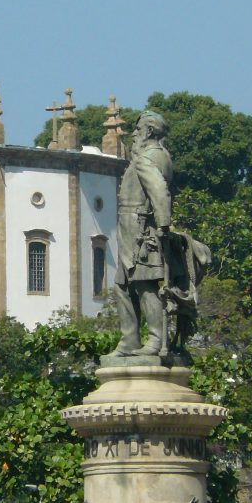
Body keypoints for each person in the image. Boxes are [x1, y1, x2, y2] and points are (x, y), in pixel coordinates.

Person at [110, 110, 174, 357]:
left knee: (144, 283)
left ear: (148, 131)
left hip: (138, 227)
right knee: (123, 285)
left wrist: (163, 224)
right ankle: (129, 340)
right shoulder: (161, 156)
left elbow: (158, 189)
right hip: (133, 225)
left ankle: (155, 341)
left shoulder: (146, 158)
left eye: (138, 130)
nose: (134, 134)